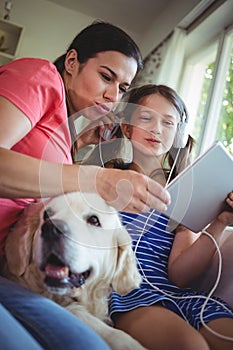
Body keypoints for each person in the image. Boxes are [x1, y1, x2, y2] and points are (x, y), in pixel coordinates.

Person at [0, 21, 170, 349]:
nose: (113, 95)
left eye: (123, 88)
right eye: (107, 77)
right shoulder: (40, 76)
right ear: (73, 62)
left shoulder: (67, 138)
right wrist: (96, 179)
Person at [87, 84, 233, 350]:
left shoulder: (185, 191)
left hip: (179, 295)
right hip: (129, 293)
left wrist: (220, 221)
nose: (157, 129)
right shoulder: (104, 180)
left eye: (168, 123)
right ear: (127, 128)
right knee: (191, 346)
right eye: (146, 118)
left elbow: (179, 275)